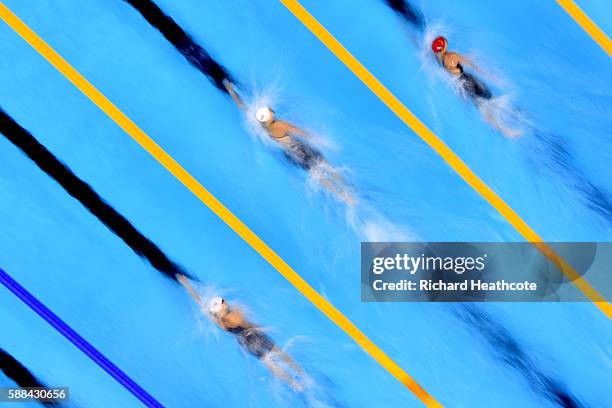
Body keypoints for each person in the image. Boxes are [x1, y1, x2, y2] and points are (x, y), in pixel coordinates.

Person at [223, 79, 355, 205]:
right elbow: (300, 131)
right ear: (269, 117)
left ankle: (342, 196)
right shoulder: (279, 124)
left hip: (291, 155)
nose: (270, 109)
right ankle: (348, 188)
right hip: (300, 148)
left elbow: (243, 107)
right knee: (325, 164)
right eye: (269, 111)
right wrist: (318, 138)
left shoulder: (263, 127)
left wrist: (231, 91)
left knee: (316, 174)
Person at [178, 274, 305, 391]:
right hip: (254, 336)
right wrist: (264, 328)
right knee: (278, 353)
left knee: (269, 363)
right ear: (223, 306)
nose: (224, 301)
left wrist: (187, 285)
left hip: (245, 342)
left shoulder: (217, 320)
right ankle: (300, 373)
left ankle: (293, 383)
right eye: (223, 302)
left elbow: (200, 302)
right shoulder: (235, 315)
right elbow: (251, 326)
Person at [431, 36, 522, 137]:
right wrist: (488, 75)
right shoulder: (452, 56)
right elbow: (471, 64)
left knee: (481, 105)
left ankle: (504, 128)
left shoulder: (439, 58)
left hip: (461, 85)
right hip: (468, 81)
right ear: (444, 47)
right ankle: (512, 115)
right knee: (489, 99)